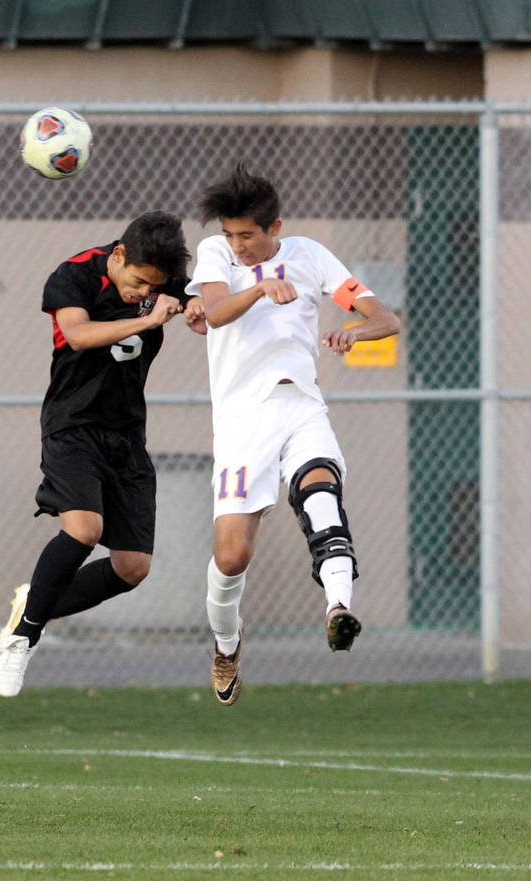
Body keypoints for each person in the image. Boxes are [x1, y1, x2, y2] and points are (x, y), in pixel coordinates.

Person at [184, 163, 401, 705]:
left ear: (274, 227)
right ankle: (226, 643)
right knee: (232, 556)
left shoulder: (308, 255)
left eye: (248, 236)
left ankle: (337, 609)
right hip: (242, 421)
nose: (238, 245)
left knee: (321, 492)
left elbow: (385, 317)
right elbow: (213, 312)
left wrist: (356, 330)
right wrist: (259, 289)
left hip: (301, 405)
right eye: (231, 234)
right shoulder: (216, 255)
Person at [0, 211, 198, 697]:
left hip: (126, 435)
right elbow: (79, 335)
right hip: (73, 425)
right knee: (85, 529)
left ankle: (35, 601)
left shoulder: (165, 284)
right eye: (138, 281)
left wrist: (196, 309)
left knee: (132, 567)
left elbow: (204, 306)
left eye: (153, 285)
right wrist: (148, 317)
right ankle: (23, 637)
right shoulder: (74, 275)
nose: (140, 290)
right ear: (119, 255)